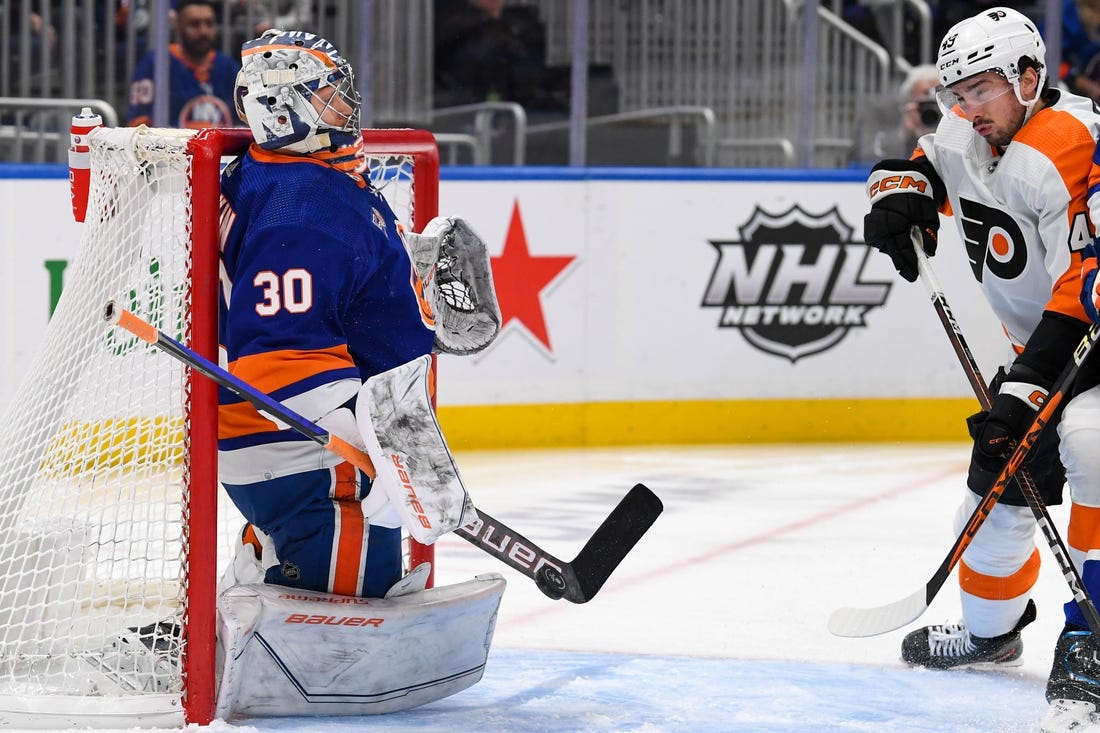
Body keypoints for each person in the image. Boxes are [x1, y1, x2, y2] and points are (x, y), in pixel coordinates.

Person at [861, 7, 1100, 727]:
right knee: (1000, 476)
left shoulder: (1072, 142)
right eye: (956, 92)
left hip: (1091, 341)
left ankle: (1091, 637)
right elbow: (931, 169)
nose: (966, 107)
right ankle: (993, 631)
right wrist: (899, 191)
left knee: (1092, 447)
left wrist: (1028, 388)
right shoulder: (971, 130)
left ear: (1030, 79)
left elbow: (1085, 283)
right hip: (1040, 347)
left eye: (983, 89)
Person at [217, 28, 436, 599]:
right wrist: (371, 446)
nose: (346, 106)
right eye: (327, 94)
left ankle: (260, 583)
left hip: (293, 444)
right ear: (281, 108)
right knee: (342, 615)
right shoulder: (300, 206)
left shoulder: (296, 177)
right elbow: (277, 359)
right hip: (307, 453)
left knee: (335, 577)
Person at [126, 0, 240, 128]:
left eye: (209, 24)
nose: (203, 31)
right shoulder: (155, 64)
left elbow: (245, 122)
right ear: (178, 26)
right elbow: (138, 124)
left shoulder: (228, 66)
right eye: (194, 24)